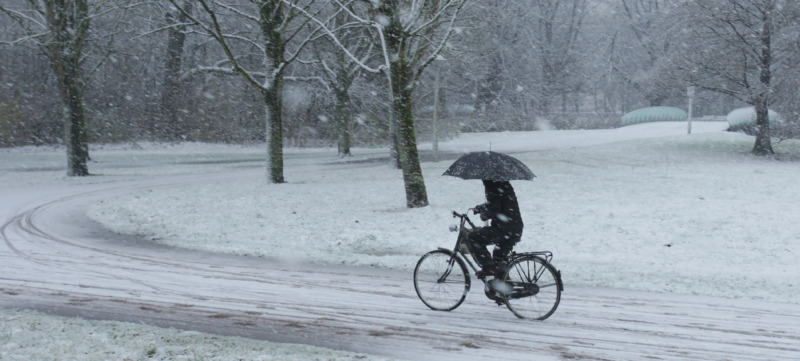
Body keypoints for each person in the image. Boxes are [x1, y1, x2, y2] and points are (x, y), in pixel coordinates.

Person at [468, 179, 523, 278]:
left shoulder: (491, 185)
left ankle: (488, 267)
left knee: (473, 236)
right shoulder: (503, 184)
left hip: (504, 229)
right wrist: (480, 208)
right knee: (499, 260)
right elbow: (499, 203)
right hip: (515, 228)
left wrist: (483, 216)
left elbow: (494, 208)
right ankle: (505, 287)